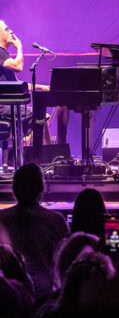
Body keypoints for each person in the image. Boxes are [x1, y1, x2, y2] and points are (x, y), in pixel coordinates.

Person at [0, 163, 69, 296]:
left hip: (9, 294)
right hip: (43, 293)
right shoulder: (56, 221)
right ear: (41, 188)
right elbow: (65, 263)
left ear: (14, 189)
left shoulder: (1, 219)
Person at [0, 19, 69, 147]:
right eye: (7, 29)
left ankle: (44, 151)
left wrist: (45, 87)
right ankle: (40, 152)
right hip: (3, 107)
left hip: (9, 105)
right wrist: (19, 47)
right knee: (40, 115)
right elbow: (18, 66)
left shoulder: (4, 55)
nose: (11, 32)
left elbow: (19, 85)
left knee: (42, 116)